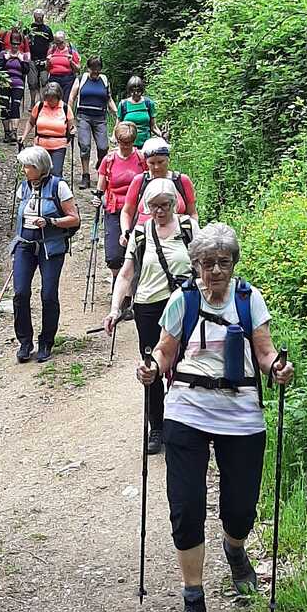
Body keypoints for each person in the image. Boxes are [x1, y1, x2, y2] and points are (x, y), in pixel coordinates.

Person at [135, 222, 294, 612]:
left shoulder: (248, 299)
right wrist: (151, 367)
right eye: (206, 264)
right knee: (185, 509)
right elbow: (165, 352)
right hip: (186, 409)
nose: (215, 271)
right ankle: (194, 598)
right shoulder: (182, 300)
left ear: (233, 264)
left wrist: (278, 367)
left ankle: (235, 548)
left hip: (240, 412)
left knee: (240, 508)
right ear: (196, 265)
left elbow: (264, 352)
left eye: (223, 263)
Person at [104, 178, 199, 454]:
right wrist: (114, 309)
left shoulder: (188, 228)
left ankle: (186, 424)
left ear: (173, 204)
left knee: (187, 364)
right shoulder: (142, 232)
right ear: (147, 206)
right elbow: (126, 274)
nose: (159, 211)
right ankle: (156, 427)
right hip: (149, 307)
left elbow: (206, 265)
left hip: (184, 305)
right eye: (154, 206)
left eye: (165, 205)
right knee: (152, 367)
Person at [12, 146, 80, 364]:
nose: (24, 170)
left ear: (39, 167)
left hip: (50, 246)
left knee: (48, 294)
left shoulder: (58, 186)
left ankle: (46, 342)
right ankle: (24, 341)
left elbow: (74, 218)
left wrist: (51, 222)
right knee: (20, 293)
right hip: (25, 245)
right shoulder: (23, 188)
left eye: (28, 166)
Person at [92, 122, 146, 284]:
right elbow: (101, 186)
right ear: (117, 140)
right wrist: (98, 197)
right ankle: (117, 279)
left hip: (137, 210)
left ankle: (132, 288)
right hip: (114, 209)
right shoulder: (109, 160)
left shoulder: (142, 159)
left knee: (137, 251)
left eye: (129, 142)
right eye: (122, 142)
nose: (125, 146)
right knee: (114, 256)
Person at [119, 137, 197, 243]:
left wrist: (194, 231)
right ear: (146, 162)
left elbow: (192, 213)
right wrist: (125, 232)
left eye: (161, 162)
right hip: (144, 240)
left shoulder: (182, 181)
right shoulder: (140, 181)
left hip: (178, 239)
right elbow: (127, 211)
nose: (156, 167)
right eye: (152, 163)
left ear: (168, 160)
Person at [69, 56, 118, 189]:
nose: (95, 72)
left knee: (103, 147)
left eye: (98, 69)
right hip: (83, 116)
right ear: (88, 68)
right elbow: (72, 98)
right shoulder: (81, 79)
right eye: (93, 69)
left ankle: (100, 164)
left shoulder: (104, 80)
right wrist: (70, 118)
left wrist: (117, 112)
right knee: (85, 146)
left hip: (100, 117)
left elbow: (109, 99)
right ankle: (86, 176)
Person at [20, 82, 75, 177]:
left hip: (59, 146)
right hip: (40, 145)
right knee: (39, 173)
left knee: (55, 174)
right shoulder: (40, 106)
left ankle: (54, 191)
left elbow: (71, 127)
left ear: (58, 97)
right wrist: (23, 136)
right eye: (48, 98)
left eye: (53, 98)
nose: (50, 100)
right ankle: (39, 191)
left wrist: (72, 131)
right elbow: (31, 122)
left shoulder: (65, 108)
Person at [0, 29, 29, 143]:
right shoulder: (3, 54)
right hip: (4, 82)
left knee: (15, 106)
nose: (15, 46)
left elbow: (26, 71)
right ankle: (6, 132)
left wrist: (21, 61)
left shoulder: (23, 56)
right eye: (13, 44)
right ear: (10, 44)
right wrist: (5, 59)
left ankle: (14, 131)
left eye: (17, 44)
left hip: (18, 83)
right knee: (4, 106)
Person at [115, 76, 159, 149]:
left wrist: (161, 135)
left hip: (146, 144)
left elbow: (153, 126)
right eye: (132, 91)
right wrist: (116, 139)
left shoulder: (148, 103)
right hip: (127, 144)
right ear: (129, 91)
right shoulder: (123, 104)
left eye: (138, 91)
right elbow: (118, 125)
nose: (135, 93)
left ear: (142, 90)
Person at [28, 8, 53, 110]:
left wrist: (49, 56)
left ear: (43, 17)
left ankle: (43, 102)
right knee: (32, 82)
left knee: (44, 81)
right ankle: (32, 103)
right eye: (37, 16)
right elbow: (25, 42)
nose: (39, 18)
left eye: (40, 16)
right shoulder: (29, 29)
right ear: (34, 17)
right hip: (32, 59)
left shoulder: (47, 29)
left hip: (44, 59)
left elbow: (51, 44)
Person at [45, 31, 80, 105]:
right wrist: (48, 62)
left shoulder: (71, 51)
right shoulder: (52, 50)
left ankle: (65, 115)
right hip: (54, 78)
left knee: (65, 101)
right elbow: (47, 69)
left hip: (68, 79)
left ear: (65, 40)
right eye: (56, 43)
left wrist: (71, 62)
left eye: (61, 42)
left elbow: (78, 69)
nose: (59, 45)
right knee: (53, 100)